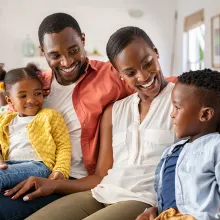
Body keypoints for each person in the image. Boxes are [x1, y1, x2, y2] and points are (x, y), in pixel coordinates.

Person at [0, 14, 176, 220]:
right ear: (43, 52)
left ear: (83, 40)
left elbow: (157, 82)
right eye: (55, 55)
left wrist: (194, 88)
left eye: (73, 50)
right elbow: (9, 123)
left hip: (75, 177)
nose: (66, 61)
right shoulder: (36, 86)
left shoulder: (110, 76)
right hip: (57, 176)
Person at [137, 69, 220, 220]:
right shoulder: (172, 151)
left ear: (205, 114)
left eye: (177, 107)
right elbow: (170, 194)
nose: (172, 114)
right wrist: (154, 210)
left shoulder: (216, 147)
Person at [0, 66, 72, 190]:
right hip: (10, 166)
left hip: (39, 166)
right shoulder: (5, 120)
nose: (31, 100)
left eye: (37, 93)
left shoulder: (50, 116)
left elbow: (63, 146)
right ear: (9, 100)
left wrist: (61, 169)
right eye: (23, 96)